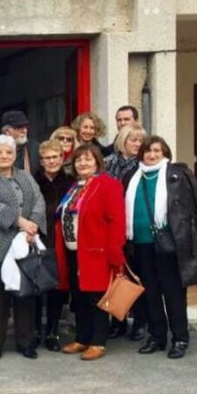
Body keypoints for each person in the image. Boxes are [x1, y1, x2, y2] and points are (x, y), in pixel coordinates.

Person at [124, 136, 197, 359]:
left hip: (171, 245)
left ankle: (180, 338)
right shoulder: (131, 177)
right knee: (151, 294)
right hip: (141, 245)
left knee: (174, 294)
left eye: (157, 150)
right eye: (147, 151)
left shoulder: (179, 174)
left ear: (165, 153)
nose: (152, 155)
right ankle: (157, 336)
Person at [0, 134, 46, 360]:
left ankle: (26, 342)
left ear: (15, 155)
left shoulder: (26, 177)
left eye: (9, 152)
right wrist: (20, 221)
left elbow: (39, 200)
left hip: (24, 243)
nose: (4, 156)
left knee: (24, 295)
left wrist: (32, 227)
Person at [55, 144, 125, 361]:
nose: (82, 163)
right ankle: (82, 337)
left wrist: (114, 251)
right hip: (74, 252)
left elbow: (117, 220)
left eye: (88, 159)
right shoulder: (75, 186)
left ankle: (98, 342)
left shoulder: (108, 185)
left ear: (97, 162)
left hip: (97, 252)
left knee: (98, 298)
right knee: (80, 297)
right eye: (78, 160)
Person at [103, 124, 149, 341]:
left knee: (137, 276)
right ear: (122, 141)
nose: (138, 145)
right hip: (110, 227)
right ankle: (117, 321)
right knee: (115, 276)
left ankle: (140, 321)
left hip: (133, 228)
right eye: (134, 140)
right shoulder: (107, 164)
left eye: (140, 141)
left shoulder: (143, 166)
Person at [33, 140, 73, 351]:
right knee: (37, 289)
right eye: (47, 158)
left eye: (55, 157)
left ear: (62, 158)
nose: (51, 161)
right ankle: (36, 331)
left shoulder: (71, 183)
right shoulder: (32, 182)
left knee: (57, 290)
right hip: (38, 240)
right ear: (41, 161)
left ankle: (52, 332)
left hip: (62, 242)